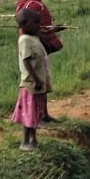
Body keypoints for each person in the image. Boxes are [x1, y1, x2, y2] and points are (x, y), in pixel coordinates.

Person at [16, 0, 64, 124]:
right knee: (36, 84)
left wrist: (53, 29)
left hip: (37, 48)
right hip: (36, 49)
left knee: (41, 83)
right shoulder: (35, 6)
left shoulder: (24, 4)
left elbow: (36, 27)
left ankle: (43, 114)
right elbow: (38, 29)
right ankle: (38, 116)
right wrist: (50, 32)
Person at [12, 8, 51, 151]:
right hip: (31, 84)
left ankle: (33, 139)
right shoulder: (24, 40)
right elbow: (26, 61)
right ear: (24, 24)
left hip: (38, 83)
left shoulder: (33, 38)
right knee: (29, 114)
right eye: (36, 23)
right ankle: (25, 142)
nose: (39, 25)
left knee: (35, 113)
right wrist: (37, 80)